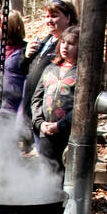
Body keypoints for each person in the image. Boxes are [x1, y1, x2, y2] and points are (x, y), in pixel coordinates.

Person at [30, 26, 79, 170]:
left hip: (68, 133)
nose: (65, 47)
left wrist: (60, 125)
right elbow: (37, 99)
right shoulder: (50, 69)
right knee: (47, 171)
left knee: (64, 172)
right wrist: (40, 122)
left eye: (71, 44)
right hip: (46, 131)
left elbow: (82, 106)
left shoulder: (82, 71)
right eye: (63, 42)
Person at [18, 0, 77, 117]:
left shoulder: (73, 47)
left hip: (52, 114)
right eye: (47, 16)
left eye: (54, 16)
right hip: (30, 109)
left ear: (68, 17)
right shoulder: (44, 42)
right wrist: (26, 56)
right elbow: (23, 69)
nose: (49, 20)